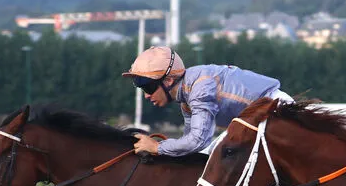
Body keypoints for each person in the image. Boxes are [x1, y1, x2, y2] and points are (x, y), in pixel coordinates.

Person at [122, 46, 293, 157]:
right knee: (215, 154)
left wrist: (157, 148)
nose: (146, 95)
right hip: (260, 118)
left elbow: (198, 141)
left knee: (222, 155)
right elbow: (191, 144)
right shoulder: (187, 98)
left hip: (276, 112)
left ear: (168, 81)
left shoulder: (199, 88)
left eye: (148, 88)